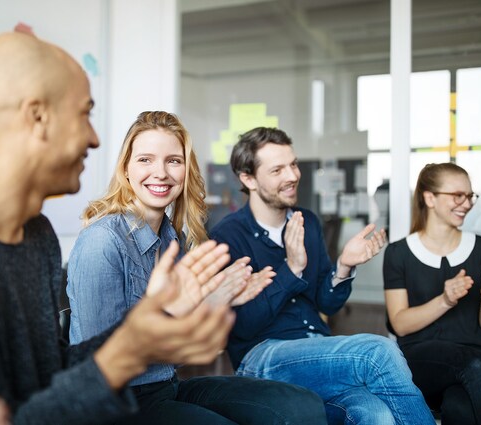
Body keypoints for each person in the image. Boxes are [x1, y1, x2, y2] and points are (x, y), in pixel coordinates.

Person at [0, 32, 241, 425]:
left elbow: (47, 374)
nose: (94, 139)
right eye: (85, 114)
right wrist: (129, 350)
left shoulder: (35, 235)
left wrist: (142, 334)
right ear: (37, 118)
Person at [67, 111, 327, 424]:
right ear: (126, 168)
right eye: (146, 160)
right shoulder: (102, 241)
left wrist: (215, 302)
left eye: (173, 161)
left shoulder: (171, 238)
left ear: (186, 170)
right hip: (115, 404)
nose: (161, 173)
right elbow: (102, 362)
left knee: (301, 405)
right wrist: (200, 310)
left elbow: (182, 350)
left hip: (165, 386)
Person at [209, 127, 435, 425]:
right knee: (378, 352)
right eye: (277, 170)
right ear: (248, 179)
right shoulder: (227, 236)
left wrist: (343, 266)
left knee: (374, 413)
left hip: (317, 349)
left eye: (293, 164)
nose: (292, 175)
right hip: (261, 356)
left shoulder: (308, 222)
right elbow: (242, 327)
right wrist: (291, 269)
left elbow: (326, 303)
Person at [383, 162, 481, 424]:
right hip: (421, 361)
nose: (466, 203)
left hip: (475, 363)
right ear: (430, 198)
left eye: (470, 195)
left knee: (460, 408)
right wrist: (445, 300)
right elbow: (400, 323)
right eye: (457, 195)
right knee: (474, 363)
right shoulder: (399, 253)